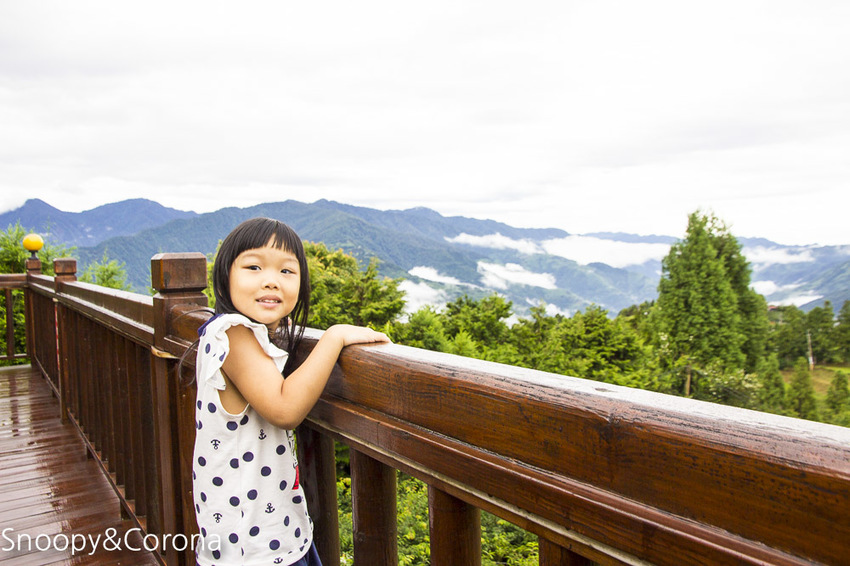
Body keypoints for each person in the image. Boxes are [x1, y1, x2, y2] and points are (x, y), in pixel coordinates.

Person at [190, 217, 389, 566]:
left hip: (265, 529)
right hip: (254, 545)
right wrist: (334, 337)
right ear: (225, 276)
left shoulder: (237, 333)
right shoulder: (232, 334)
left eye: (286, 272)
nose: (271, 280)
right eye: (253, 267)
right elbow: (284, 408)